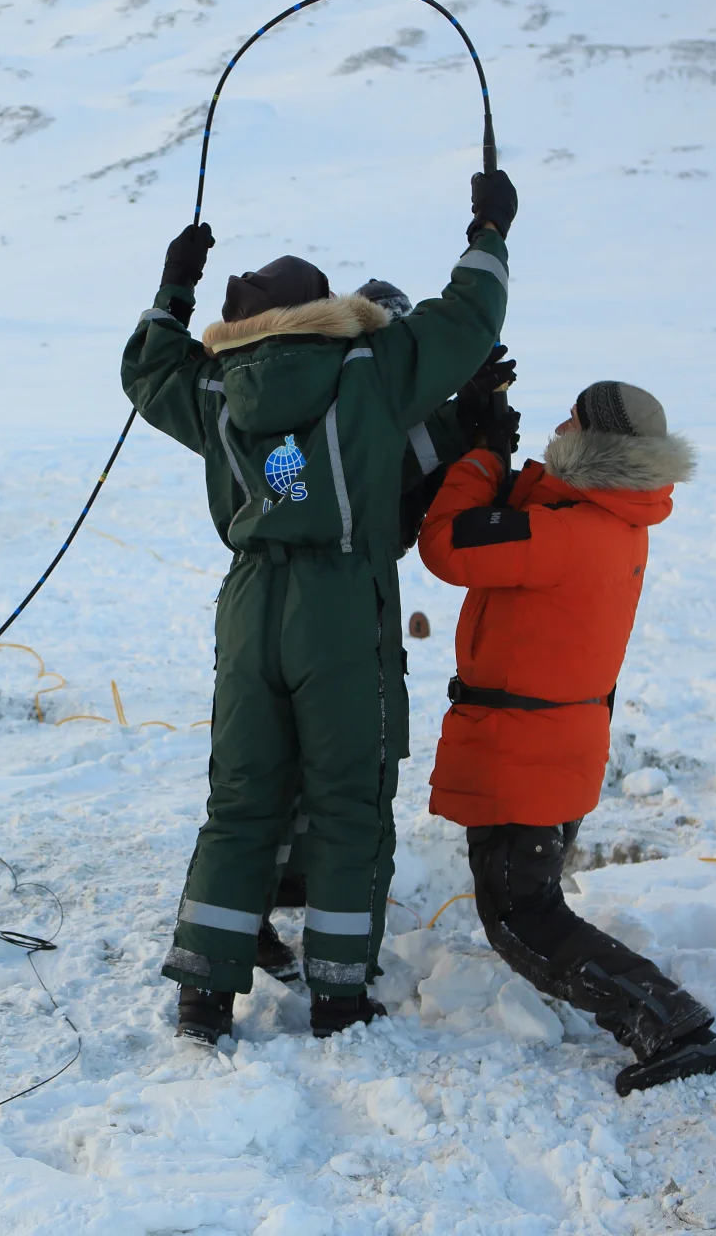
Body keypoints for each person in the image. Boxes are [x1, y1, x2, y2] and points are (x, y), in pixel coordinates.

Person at [122, 169, 517, 1045]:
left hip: (250, 602)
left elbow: (147, 368)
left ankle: (203, 994)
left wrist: (174, 284)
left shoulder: (217, 388)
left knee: (242, 799)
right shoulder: (369, 367)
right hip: (339, 604)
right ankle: (338, 994)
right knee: (348, 796)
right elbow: (469, 317)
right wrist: (489, 228)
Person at [416, 375, 716, 1094]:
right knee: (529, 904)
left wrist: (479, 461)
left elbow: (446, 546)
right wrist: (507, 459)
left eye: (570, 424)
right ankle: (662, 1013)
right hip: (557, 742)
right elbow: (530, 523)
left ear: (595, 446)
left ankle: (668, 1021)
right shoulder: (612, 517)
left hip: (523, 750)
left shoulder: (565, 531)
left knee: (522, 919)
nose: (556, 431)